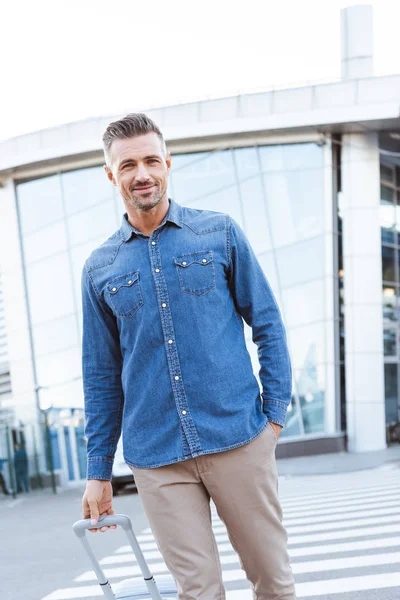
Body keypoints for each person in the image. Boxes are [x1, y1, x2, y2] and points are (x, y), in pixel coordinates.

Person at [81, 113, 297, 600]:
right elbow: (100, 374)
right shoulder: (100, 267)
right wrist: (98, 472)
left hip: (238, 438)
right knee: (198, 592)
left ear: (168, 163)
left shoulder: (218, 233)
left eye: (151, 161)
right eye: (128, 164)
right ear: (111, 174)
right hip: (158, 459)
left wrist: (274, 418)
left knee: (274, 582)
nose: (142, 174)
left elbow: (267, 324)